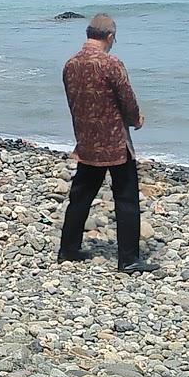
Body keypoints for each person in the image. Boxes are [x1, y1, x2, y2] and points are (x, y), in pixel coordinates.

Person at [58, 14, 154, 274]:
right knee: (126, 198)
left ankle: (68, 248)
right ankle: (128, 259)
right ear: (109, 37)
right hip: (114, 142)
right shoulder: (111, 63)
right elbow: (127, 98)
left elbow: (74, 101)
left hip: (87, 139)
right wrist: (136, 119)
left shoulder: (70, 64)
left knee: (81, 195)